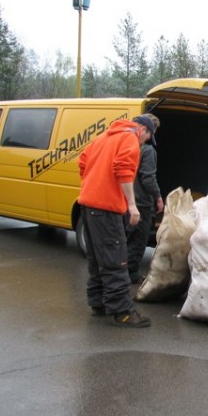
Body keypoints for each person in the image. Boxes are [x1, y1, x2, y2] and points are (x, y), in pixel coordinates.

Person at [78, 114, 155, 328]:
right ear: (142, 129)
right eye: (147, 137)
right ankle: (122, 312)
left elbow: (82, 162)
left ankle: (98, 302)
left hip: (88, 206)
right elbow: (123, 169)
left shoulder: (103, 137)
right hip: (106, 209)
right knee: (116, 260)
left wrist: (93, 186)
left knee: (97, 259)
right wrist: (132, 205)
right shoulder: (129, 138)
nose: (144, 142)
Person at [126, 113, 164, 284]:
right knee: (138, 240)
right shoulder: (147, 150)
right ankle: (131, 273)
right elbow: (148, 178)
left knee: (126, 237)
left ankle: (121, 271)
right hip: (141, 203)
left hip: (126, 200)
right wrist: (158, 197)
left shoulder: (127, 147)